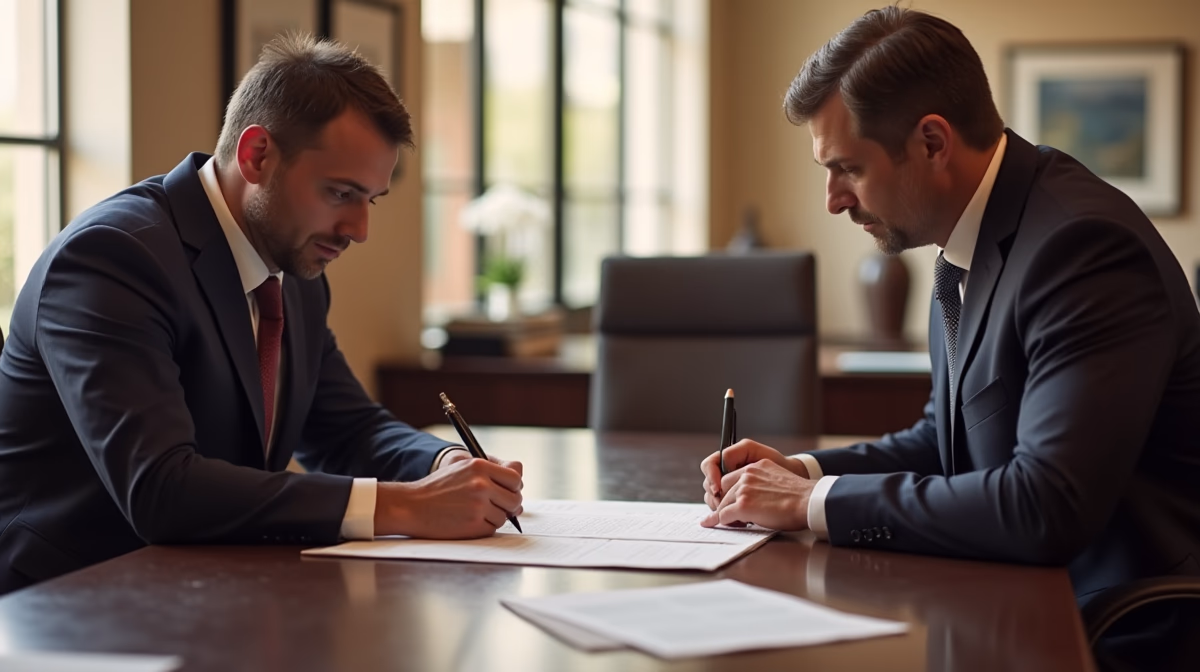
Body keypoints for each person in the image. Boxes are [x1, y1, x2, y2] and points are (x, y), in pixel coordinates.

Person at [699, 6, 1200, 607]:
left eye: (848, 168)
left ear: (932, 143)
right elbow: (948, 442)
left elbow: (1047, 506)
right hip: (1019, 596)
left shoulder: (1082, 249)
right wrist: (801, 473)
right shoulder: (972, 240)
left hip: (1114, 621)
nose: (833, 200)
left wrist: (811, 503)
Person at [0, 34, 523, 594]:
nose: (359, 230)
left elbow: (347, 428)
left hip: (207, 589)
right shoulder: (113, 257)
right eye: (340, 193)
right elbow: (161, 490)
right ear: (256, 156)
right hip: (65, 604)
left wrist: (443, 464)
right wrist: (405, 506)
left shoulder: (291, 272)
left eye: (369, 199)